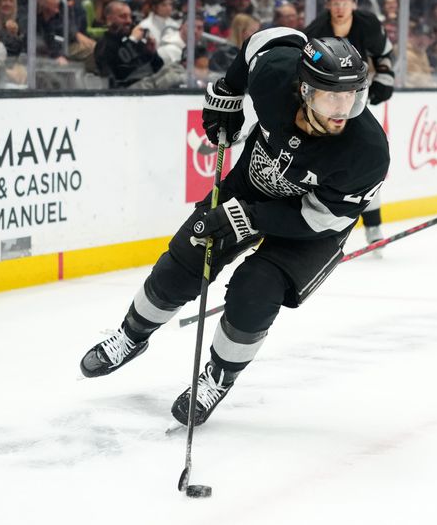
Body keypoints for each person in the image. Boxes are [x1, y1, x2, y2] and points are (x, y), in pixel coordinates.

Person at [79, 29, 389, 427]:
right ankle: (131, 335)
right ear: (305, 89)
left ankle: (218, 378)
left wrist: (246, 217)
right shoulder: (276, 76)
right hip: (251, 186)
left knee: (255, 289)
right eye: (332, 97)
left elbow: (323, 219)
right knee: (186, 256)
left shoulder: (367, 151)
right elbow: (268, 38)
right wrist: (228, 91)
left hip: (310, 228)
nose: (343, 110)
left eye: (352, 97)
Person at [305, 0, 395, 251]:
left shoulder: (368, 24)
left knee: (365, 163)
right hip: (323, 107)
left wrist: (385, 77)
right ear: (328, 4)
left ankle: (374, 228)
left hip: (355, 104)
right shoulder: (316, 30)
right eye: (335, 2)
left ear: (354, 3)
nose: (340, 7)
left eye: (345, 1)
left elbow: (384, 55)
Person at [94, 0, 163, 87]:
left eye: (130, 16)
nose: (129, 21)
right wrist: (132, 40)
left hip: (151, 84)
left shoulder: (134, 41)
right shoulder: (104, 44)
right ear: (109, 19)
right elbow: (115, 76)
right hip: (127, 91)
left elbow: (158, 68)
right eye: (123, 17)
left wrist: (152, 53)